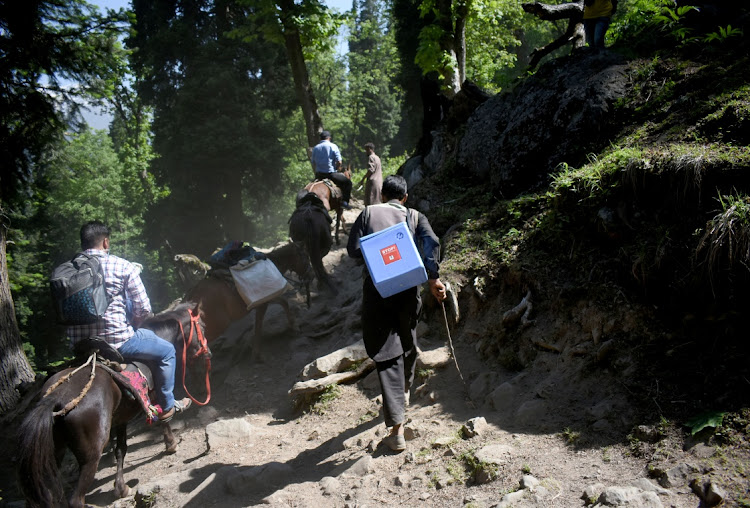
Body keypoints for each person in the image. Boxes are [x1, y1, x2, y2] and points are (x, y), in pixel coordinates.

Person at [347, 175, 447, 452]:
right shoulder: (415, 215)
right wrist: (433, 279)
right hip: (407, 292)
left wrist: (377, 252)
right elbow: (432, 243)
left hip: (377, 292)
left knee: (385, 351)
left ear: (382, 196)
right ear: (404, 197)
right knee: (407, 343)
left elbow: (353, 250)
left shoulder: (368, 213)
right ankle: (403, 392)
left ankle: (396, 428)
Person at [66, 221, 191, 422]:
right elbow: (143, 309)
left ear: (83, 243)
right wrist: (136, 324)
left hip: (80, 346)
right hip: (118, 342)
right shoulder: (121, 266)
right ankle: (167, 406)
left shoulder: (68, 271)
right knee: (167, 351)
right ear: (105, 242)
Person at [311, 130, 353, 209]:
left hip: (319, 175)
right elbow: (339, 162)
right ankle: (344, 202)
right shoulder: (333, 146)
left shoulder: (315, 148)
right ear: (329, 138)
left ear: (321, 139)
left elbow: (313, 162)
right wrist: (337, 167)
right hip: (330, 174)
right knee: (348, 183)